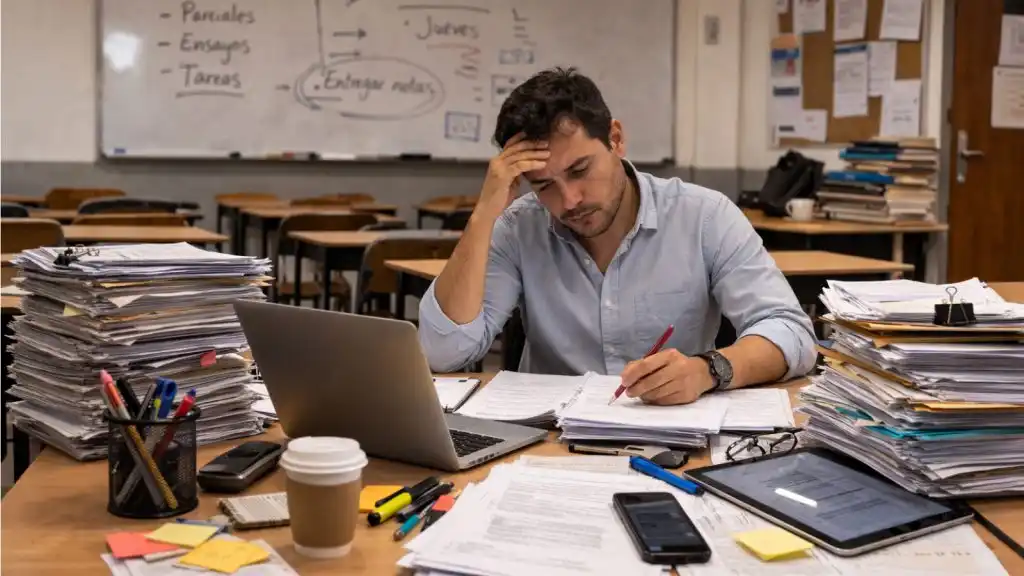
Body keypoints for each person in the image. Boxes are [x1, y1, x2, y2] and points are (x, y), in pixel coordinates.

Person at [418, 67, 816, 405]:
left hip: (673, 438)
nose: (570, 200)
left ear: (616, 139)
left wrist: (709, 370)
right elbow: (444, 353)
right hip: (549, 444)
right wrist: (485, 213)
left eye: (579, 170)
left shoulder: (704, 216)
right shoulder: (519, 227)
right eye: (544, 186)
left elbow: (791, 331)